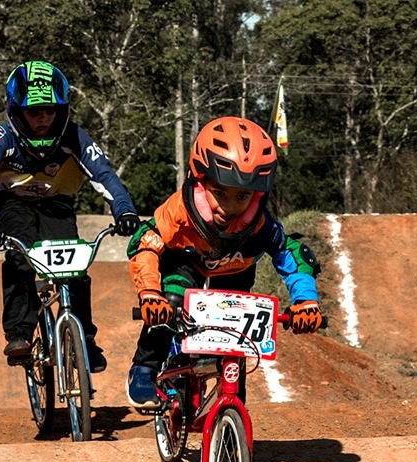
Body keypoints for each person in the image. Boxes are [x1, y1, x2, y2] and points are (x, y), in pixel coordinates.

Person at [125, 116, 324, 409]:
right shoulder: (178, 210)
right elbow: (144, 245)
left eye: (242, 196)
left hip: (235, 272)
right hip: (184, 263)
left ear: (258, 195)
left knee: (236, 333)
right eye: (219, 192)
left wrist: (306, 300)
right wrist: (151, 295)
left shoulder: (261, 224)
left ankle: (232, 408)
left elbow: (292, 254)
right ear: (200, 180)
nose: (229, 208)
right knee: (172, 299)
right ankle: (145, 368)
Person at [0, 60, 140, 372]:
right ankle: (19, 334)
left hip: (56, 204)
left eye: (50, 110)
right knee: (19, 259)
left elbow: (105, 175)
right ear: (16, 111)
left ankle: (85, 338)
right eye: (34, 112)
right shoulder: (3, 137)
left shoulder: (74, 136)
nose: (43, 118)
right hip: (12, 203)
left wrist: (124, 210)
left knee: (75, 268)